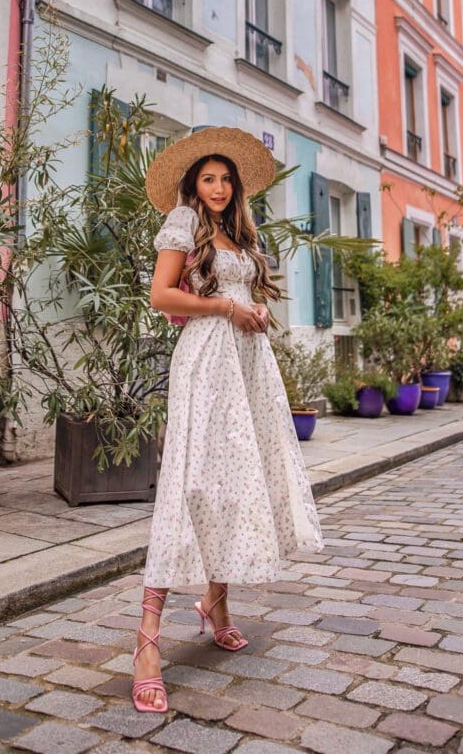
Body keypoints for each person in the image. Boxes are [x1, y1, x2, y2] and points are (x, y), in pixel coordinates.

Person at [131, 127, 323, 713]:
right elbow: (162, 296)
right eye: (208, 178)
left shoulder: (238, 232)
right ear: (194, 183)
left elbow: (240, 293)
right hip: (207, 364)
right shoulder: (183, 222)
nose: (218, 186)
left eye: (225, 178)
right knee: (191, 483)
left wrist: (254, 308)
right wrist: (227, 307)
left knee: (240, 479)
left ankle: (217, 605)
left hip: (247, 364)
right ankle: (146, 642)